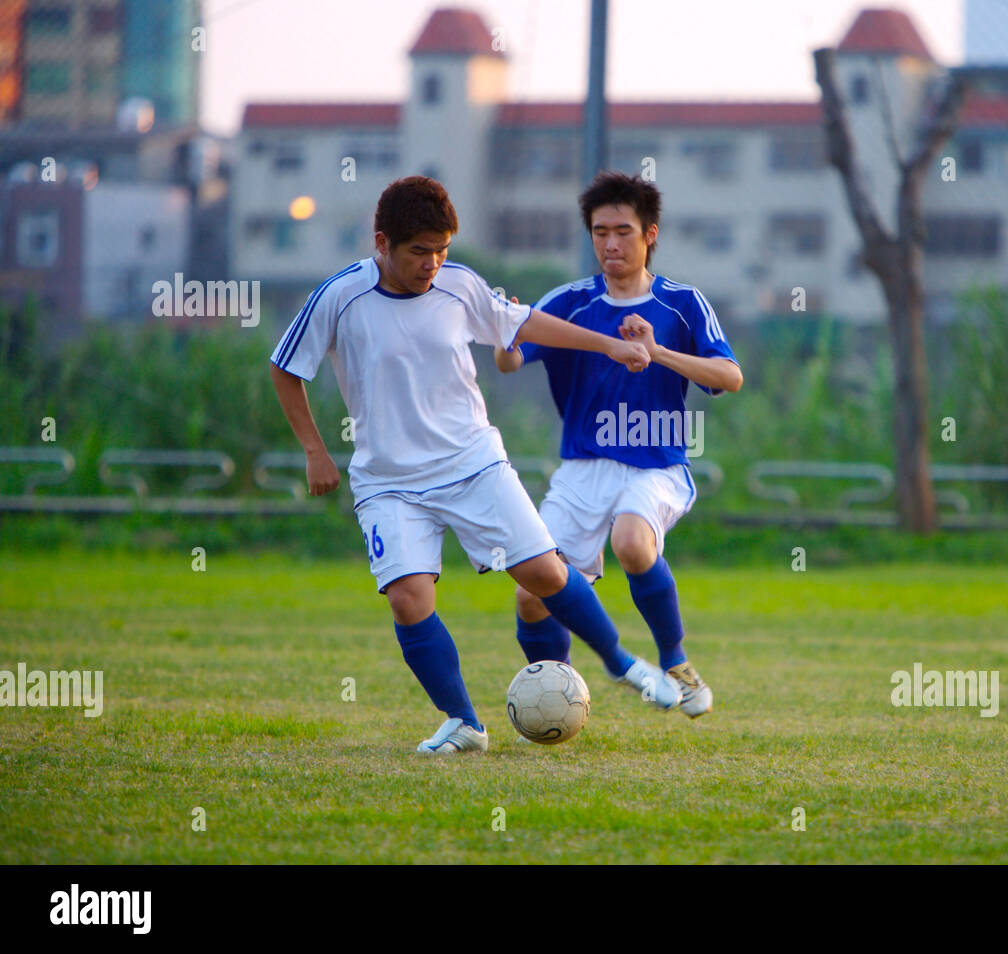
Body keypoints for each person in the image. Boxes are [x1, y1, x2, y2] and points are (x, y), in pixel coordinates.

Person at [268, 176, 682, 756]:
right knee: (409, 599)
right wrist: (314, 449)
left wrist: (609, 344)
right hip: (388, 481)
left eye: (442, 250)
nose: (432, 263)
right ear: (383, 243)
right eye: (419, 251)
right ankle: (464, 721)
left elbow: (523, 323)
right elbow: (285, 368)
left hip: (473, 463)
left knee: (543, 575)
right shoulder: (340, 296)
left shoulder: (460, 285)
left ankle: (621, 663)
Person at [494, 171, 742, 718]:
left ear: (650, 234)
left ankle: (675, 661)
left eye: (623, 231)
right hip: (583, 469)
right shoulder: (570, 301)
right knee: (531, 594)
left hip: (657, 468)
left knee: (632, 541)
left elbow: (729, 377)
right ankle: (553, 699)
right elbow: (511, 361)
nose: (610, 243)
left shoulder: (681, 303)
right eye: (600, 231)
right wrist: (506, 335)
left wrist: (660, 353)